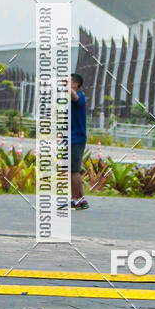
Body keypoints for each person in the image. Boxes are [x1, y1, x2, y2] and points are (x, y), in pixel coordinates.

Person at [70, 73, 89, 210]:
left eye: (68, 81)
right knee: (73, 170)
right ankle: (81, 199)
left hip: (76, 138)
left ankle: (75, 199)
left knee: (73, 171)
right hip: (73, 138)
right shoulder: (69, 100)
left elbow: (75, 97)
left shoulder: (79, 96)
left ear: (75, 84)